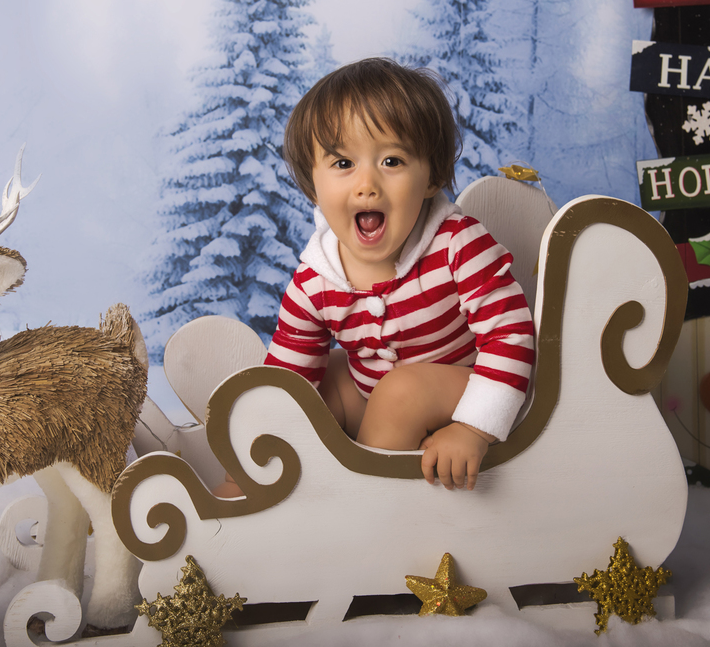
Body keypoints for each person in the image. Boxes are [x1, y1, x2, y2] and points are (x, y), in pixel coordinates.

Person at [219, 57, 536, 497]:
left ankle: (367, 506)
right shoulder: (315, 281)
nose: (366, 184)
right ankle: (251, 492)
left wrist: (473, 427)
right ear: (313, 183)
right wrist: (258, 442)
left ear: (432, 176)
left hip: (467, 389)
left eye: (391, 160)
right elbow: (287, 377)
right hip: (377, 394)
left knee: (401, 391)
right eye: (343, 164)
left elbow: (511, 336)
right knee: (312, 387)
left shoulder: (456, 245)